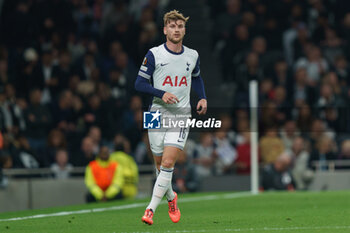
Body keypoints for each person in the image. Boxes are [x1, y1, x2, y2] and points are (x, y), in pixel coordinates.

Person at [135, 10, 207, 225]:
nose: (176, 30)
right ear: (165, 30)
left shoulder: (192, 55)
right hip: (155, 113)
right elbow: (139, 84)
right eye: (172, 26)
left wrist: (202, 97)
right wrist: (161, 93)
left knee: (167, 162)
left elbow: (196, 77)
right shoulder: (154, 54)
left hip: (181, 114)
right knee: (159, 165)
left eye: (180, 26)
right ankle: (171, 196)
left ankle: (150, 210)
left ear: (184, 30)